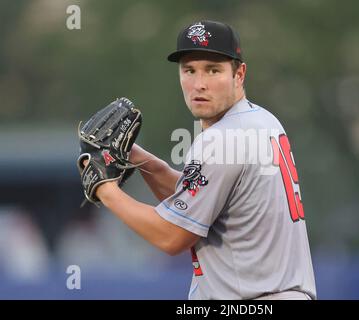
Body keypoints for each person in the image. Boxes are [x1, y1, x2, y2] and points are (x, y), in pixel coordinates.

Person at [89, 20, 316, 300]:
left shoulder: (222, 137)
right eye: (189, 70)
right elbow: (200, 201)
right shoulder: (263, 120)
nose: (199, 84)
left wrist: (104, 189)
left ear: (239, 73)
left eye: (213, 70)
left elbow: (171, 236)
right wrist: (138, 157)